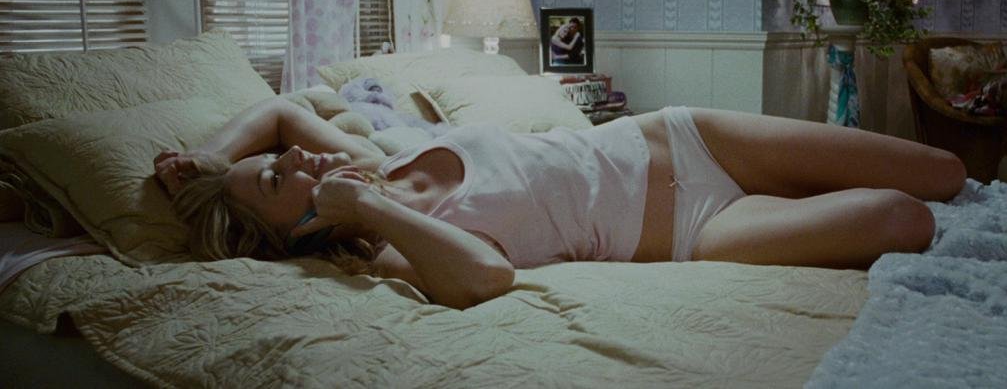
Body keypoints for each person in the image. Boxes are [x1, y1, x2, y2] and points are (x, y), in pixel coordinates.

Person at [158, 98, 965, 310]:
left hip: (687, 138)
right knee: (906, 218)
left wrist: (212, 159)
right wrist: (366, 211)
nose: (296, 157)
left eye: (279, 161)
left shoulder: (376, 159)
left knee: (946, 171)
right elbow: (488, 278)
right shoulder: (396, 249)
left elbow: (279, 110)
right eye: (278, 181)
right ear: (291, 234)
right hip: (695, 231)